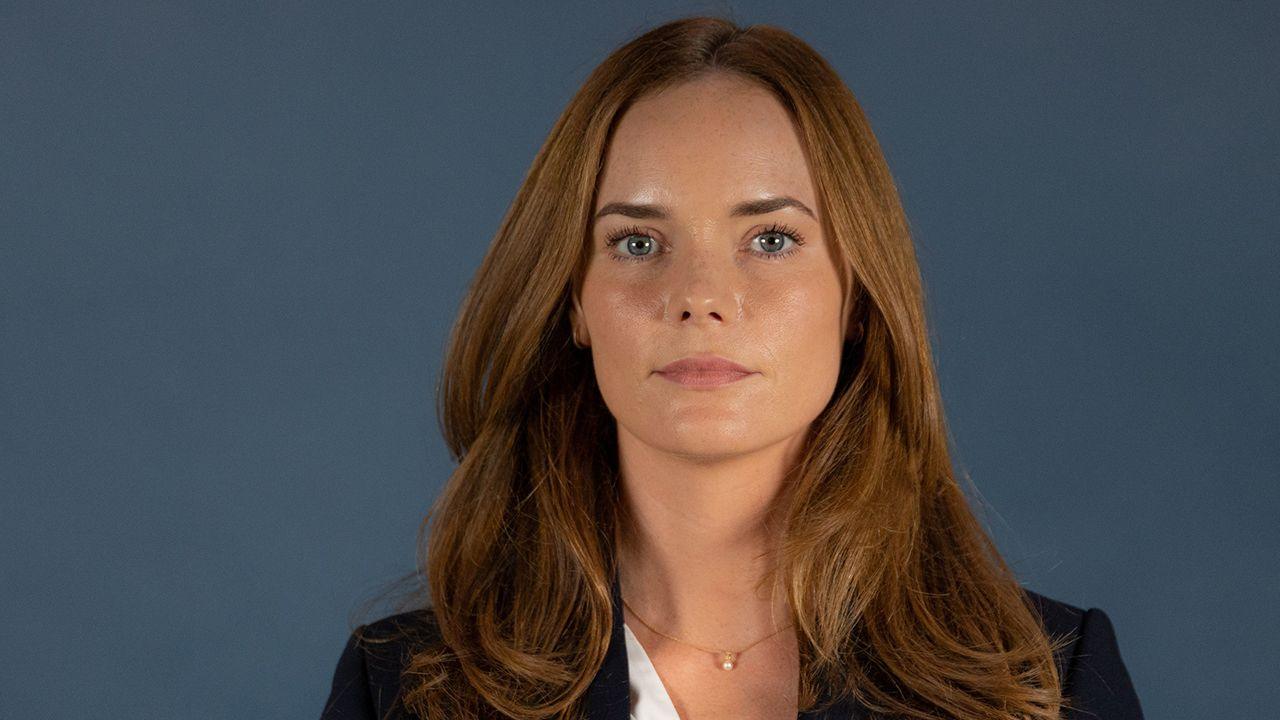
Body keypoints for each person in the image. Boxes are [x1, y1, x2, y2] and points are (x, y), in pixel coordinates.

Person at [319, 15, 1143, 720]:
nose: (700, 298)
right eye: (638, 243)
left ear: (858, 296)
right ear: (573, 300)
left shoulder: (1040, 685)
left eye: (771, 239)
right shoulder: (405, 690)